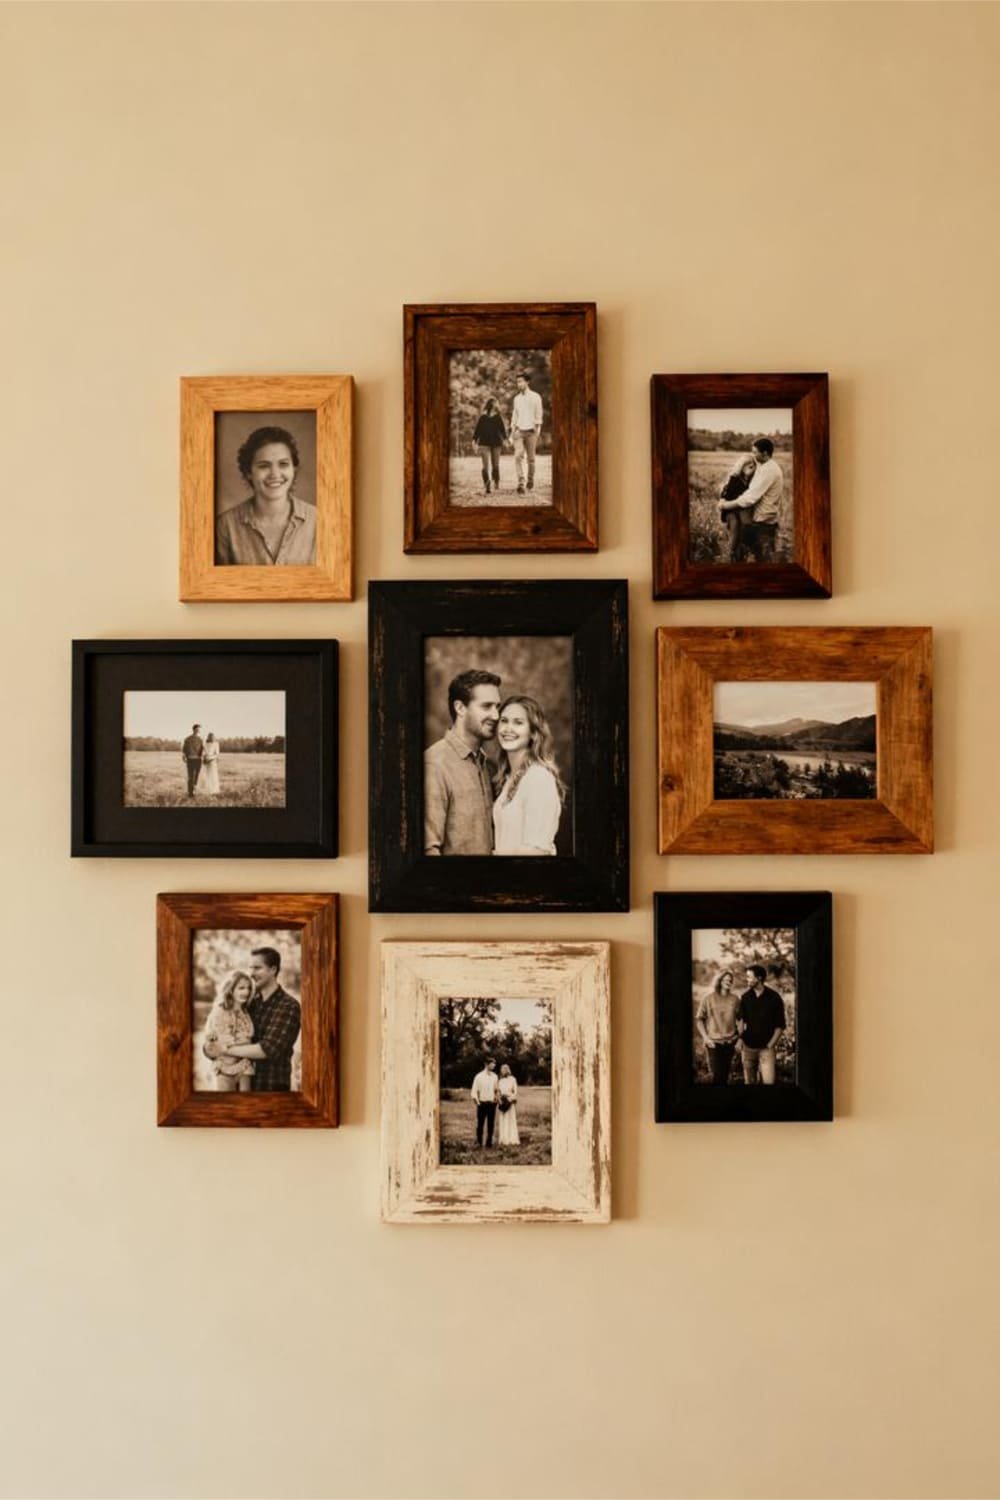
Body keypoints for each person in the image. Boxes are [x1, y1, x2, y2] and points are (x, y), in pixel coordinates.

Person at [215, 425, 316, 566]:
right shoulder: (225, 526)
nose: (275, 474)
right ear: (248, 473)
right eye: (263, 466)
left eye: (283, 464)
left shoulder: (318, 521)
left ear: (294, 469)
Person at [424, 669, 501, 855]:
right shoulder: (434, 765)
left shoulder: (488, 766)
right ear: (460, 708)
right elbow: (428, 850)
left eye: (497, 707)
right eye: (487, 706)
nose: (496, 716)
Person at [208, 947, 301, 1093]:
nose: (251, 973)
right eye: (250, 968)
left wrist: (224, 1049)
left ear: (273, 970)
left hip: (270, 1088)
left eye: (257, 968)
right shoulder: (248, 1002)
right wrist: (209, 1047)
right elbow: (218, 1032)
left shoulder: (288, 1006)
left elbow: (267, 1049)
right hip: (237, 1084)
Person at [492, 695, 565, 855]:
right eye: (504, 721)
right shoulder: (508, 778)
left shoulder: (539, 778)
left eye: (518, 722)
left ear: (533, 733)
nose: (508, 729)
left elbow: (537, 851)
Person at [718, 438, 784, 562]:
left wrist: (724, 505)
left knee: (763, 558)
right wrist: (740, 468)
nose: (753, 455)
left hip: (763, 522)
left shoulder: (768, 470)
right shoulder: (763, 465)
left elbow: (749, 499)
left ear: (765, 453)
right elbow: (740, 469)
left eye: (755, 452)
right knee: (750, 551)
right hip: (758, 520)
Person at [202, 970, 256, 1093]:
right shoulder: (220, 1011)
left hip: (244, 1066)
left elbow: (249, 1037)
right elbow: (221, 1043)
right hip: (225, 1067)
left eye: (248, 988)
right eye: (241, 988)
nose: (246, 992)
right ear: (231, 989)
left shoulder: (245, 1012)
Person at [737, 964, 786, 1085]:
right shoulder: (745, 997)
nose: (747, 979)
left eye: (749, 977)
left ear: (759, 978)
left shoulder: (774, 997)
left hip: (766, 1049)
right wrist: (740, 1039)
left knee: (769, 1083)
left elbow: (780, 1025)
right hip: (748, 1049)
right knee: (749, 1083)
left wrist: (770, 1045)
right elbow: (741, 1021)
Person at [695, 969, 740, 1085]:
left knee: (725, 1075)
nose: (728, 982)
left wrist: (738, 1038)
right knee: (716, 1075)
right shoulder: (708, 998)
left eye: (730, 980)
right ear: (719, 981)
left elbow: (741, 1019)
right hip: (713, 1043)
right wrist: (706, 1038)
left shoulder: (735, 999)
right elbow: (699, 1019)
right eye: (725, 980)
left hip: (730, 1042)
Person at [716, 455, 758, 562]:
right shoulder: (735, 478)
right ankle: (731, 552)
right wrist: (723, 501)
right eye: (749, 466)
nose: (752, 468)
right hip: (730, 509)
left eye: (753, 466)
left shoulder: (752, 481)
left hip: (741, 509)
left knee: (745, 526)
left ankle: (742, 554)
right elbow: (726, 495)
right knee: (735, 524)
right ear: (742, 467)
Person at [509, 372, 543, 495]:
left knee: (531, 459)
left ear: (527, 382)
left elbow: (539, 415)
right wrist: (512, 433)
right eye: (517, 382)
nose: (519, 384)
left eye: (521, 381)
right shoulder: (516, 399)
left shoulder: (536, 397)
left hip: (531, 432)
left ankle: (530, 480)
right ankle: (521, 483)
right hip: (519, 431)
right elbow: (514, 416)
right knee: (518, 456)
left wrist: (537, 431)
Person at [472, 397, 507, 496]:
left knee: (495, 465)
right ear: (491, 404)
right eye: (496, 402)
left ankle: (496, 481)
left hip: (496, 444)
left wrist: (506, 440)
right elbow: (477, 431)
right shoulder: (483, 417)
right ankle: (487, 485)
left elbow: (503, 430)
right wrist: (474, 441)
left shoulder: (498, 417)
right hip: (484, 443)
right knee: (485, 466)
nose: (497, 404)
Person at [470, 1057, 499, 1147]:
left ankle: (489, 1142)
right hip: (482, 1103)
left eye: (494, 1064)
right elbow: (474, 1091)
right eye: (492, 1064)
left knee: (491, 1124)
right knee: (480, 1124)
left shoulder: (495, 1076)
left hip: (492, 1104)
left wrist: (496, 1098)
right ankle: (479, 1142)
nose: (494, 1065)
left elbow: (496, 1089)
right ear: (486, 1064)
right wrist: (477, 1102)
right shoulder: (479, 1076)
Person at [496, 1062, 519, 1146]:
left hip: (510, 1101)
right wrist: (499, 1100)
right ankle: (504, 1139)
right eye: (502, 1070)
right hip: (502, 1102)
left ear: (508, 1070)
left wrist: (510, 1099)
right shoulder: (500, 1080)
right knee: (503, 1119)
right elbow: (498, 1092)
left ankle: (511, 1138)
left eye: (505, 1069)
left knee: (510, 1119)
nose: (504, 1071)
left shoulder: (513, 1079)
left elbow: (515, 1091)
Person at [181, 723, 204, 797]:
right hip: (190, 759)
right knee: (191, 776)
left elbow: (202, 749)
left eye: (199, 730)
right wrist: (184, 756)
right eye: (197, 729)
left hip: (198, 760)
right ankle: (190, 792)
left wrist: (203, 756)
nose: (198, 731)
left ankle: (194, 789)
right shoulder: (188, 739)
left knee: (196, 775)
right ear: (193, 730)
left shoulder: (200, 739)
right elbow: (184, 749)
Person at [200, 732, 220, 796]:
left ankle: (214, 790)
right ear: (208, 737)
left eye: (212, 737)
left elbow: (217, 754)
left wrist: (210, 758)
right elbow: (203, 752)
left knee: (213, 775)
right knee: (207, 775)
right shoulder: (205, 744)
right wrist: (204, 758)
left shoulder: (216, 744)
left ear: (214, 737)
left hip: (212, 761)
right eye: (209, 736)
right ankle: (208, 789)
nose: (211, 738)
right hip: (206, 761)